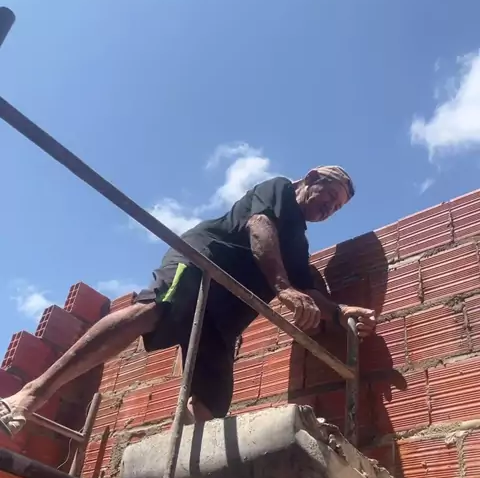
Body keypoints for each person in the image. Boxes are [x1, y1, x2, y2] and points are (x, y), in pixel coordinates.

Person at [0, 165, 375, 436]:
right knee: (160, 308)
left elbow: (309, 289)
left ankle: (183, 470)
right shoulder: (279, 190)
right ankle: (31, 393)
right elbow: (259, 226)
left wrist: (341, 312)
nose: (329, 208)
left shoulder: (298, 244)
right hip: (203, 261)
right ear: (310, 179)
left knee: (213, 393)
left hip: (227, 309)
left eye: (337, 208)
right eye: (330, 197)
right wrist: (283, 287)